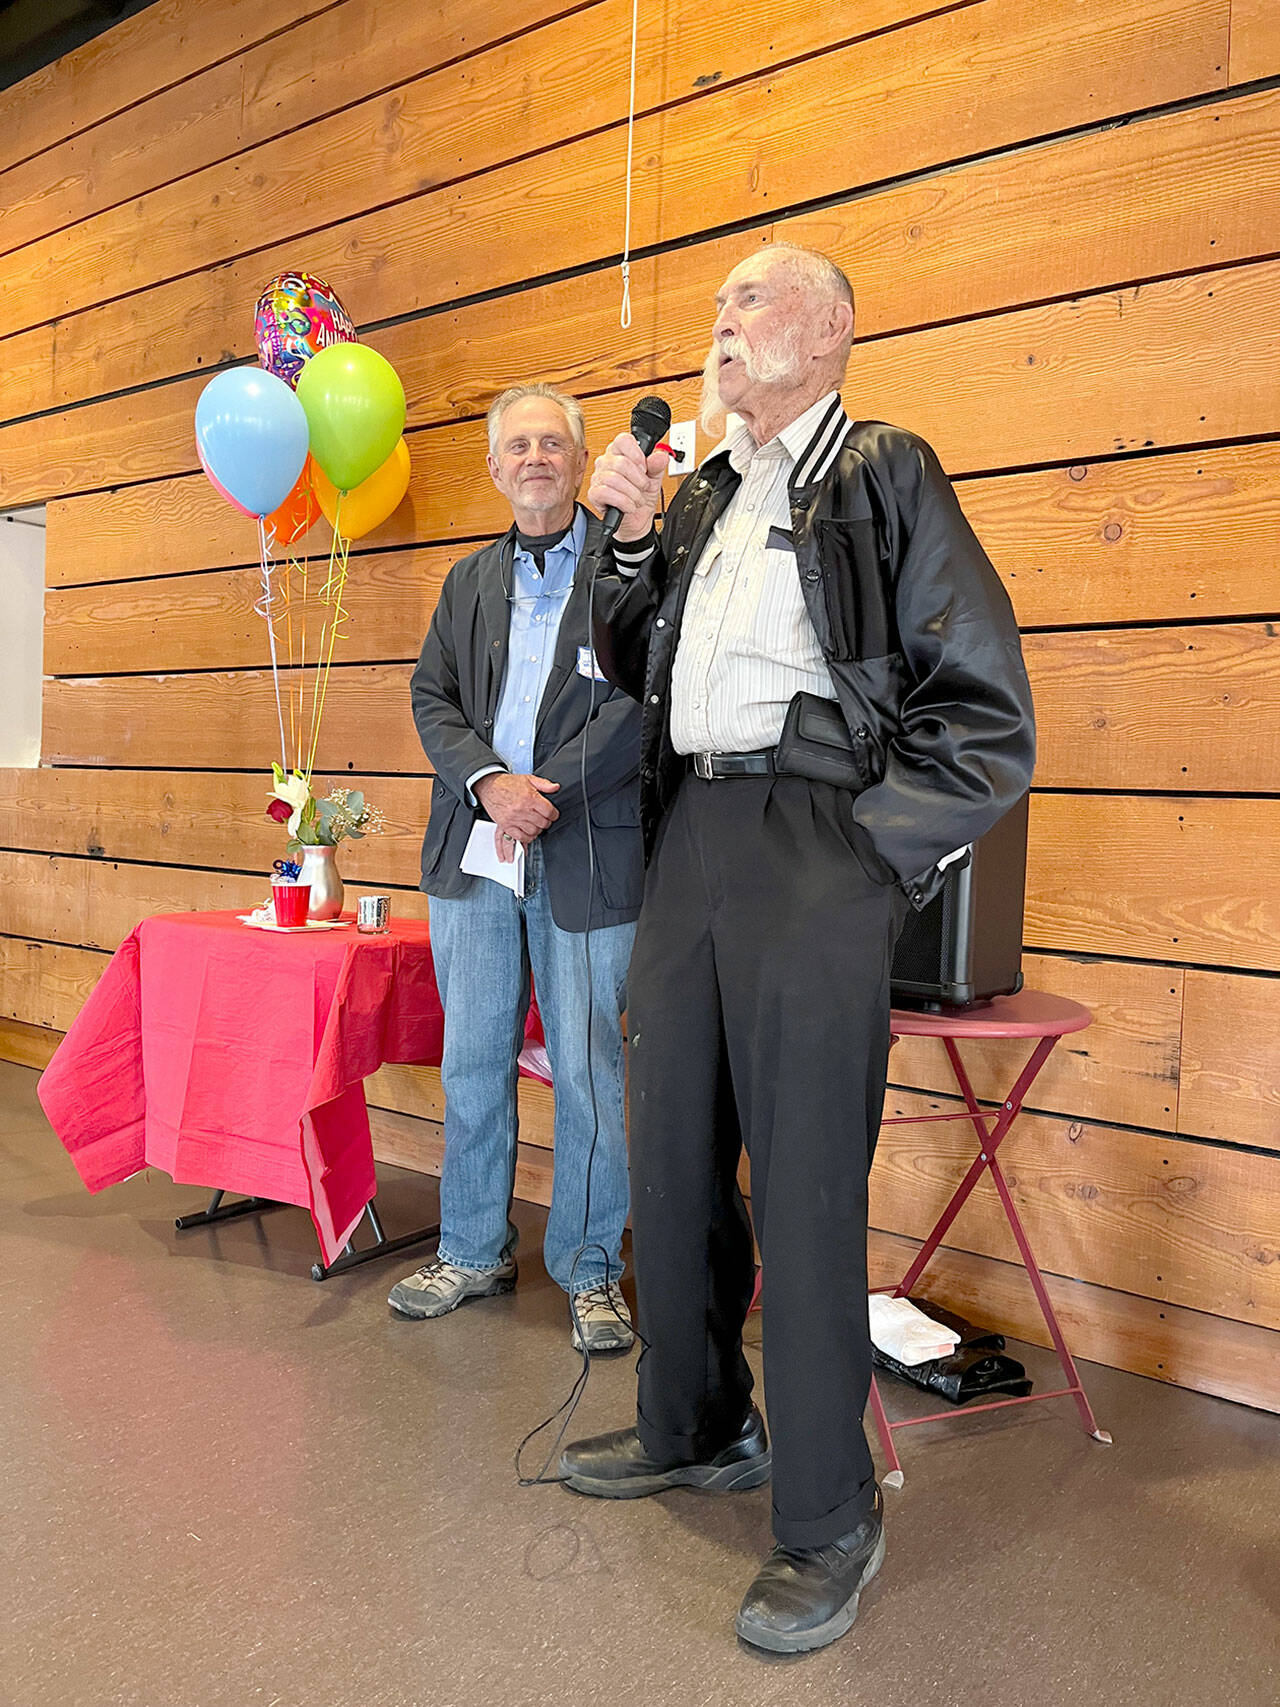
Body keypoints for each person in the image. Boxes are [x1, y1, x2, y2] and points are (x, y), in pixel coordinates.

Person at [558, 245, 1035, 1650]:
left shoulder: (885, 469)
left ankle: (832, 1513)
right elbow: (625, 654)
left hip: (816, 843)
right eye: (716, 309)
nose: (721, 326)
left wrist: (867, 862)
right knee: (673, 1154)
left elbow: (984, 710)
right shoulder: (700, 491)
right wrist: (629, 541)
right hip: (690, 839)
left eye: (750, 303)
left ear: (830, 327)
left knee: (809, 1184)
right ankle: (696, 1421)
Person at [391, 383, 643, 1355]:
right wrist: (492, 783)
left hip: (587, 853)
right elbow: (432, 695)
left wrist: (551, 792)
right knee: (472, 1063)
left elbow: (638, 704)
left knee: (586, 1069)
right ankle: (470, 1248)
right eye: (517, 447)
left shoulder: (626, 573)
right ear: (495, 469)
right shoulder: (466, 583)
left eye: (551, 444)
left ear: (578, 464)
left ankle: (587, 1273)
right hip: (475, 850)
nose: (534, 458)